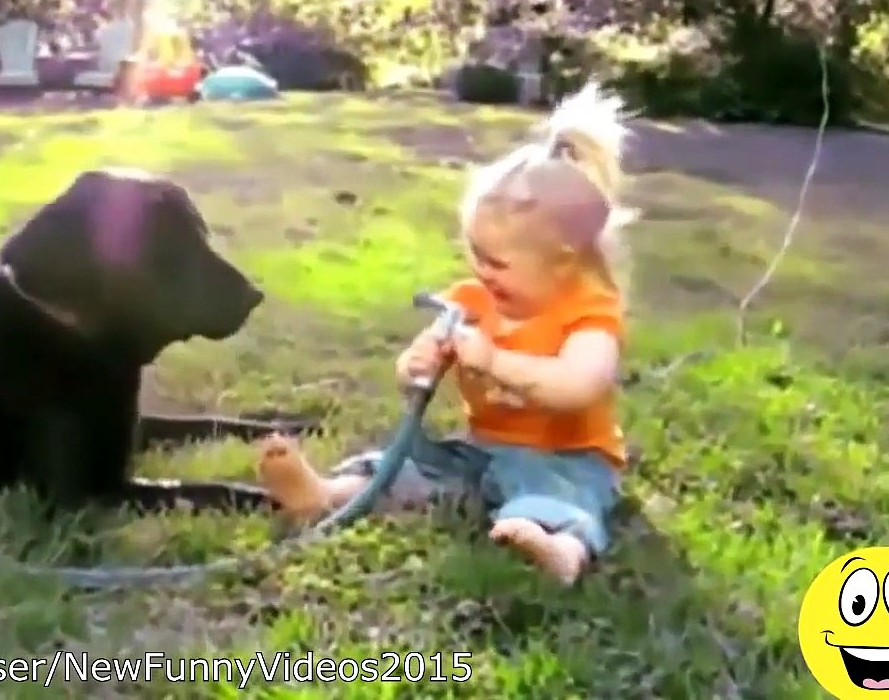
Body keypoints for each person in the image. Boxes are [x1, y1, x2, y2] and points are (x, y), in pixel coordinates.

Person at [255, 81, 637, 586]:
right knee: (413, 464)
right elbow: (414, 374)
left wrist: (495, 362)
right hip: (481, 451)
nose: (481, 271)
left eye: (497, 262)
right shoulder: (471, 301)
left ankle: (560, 549)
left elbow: (577, 386)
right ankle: (327, 494)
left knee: (564, 498)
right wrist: (417, 365)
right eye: (475, 253)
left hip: (566, 459)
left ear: (562, 262)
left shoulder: (590, 313)